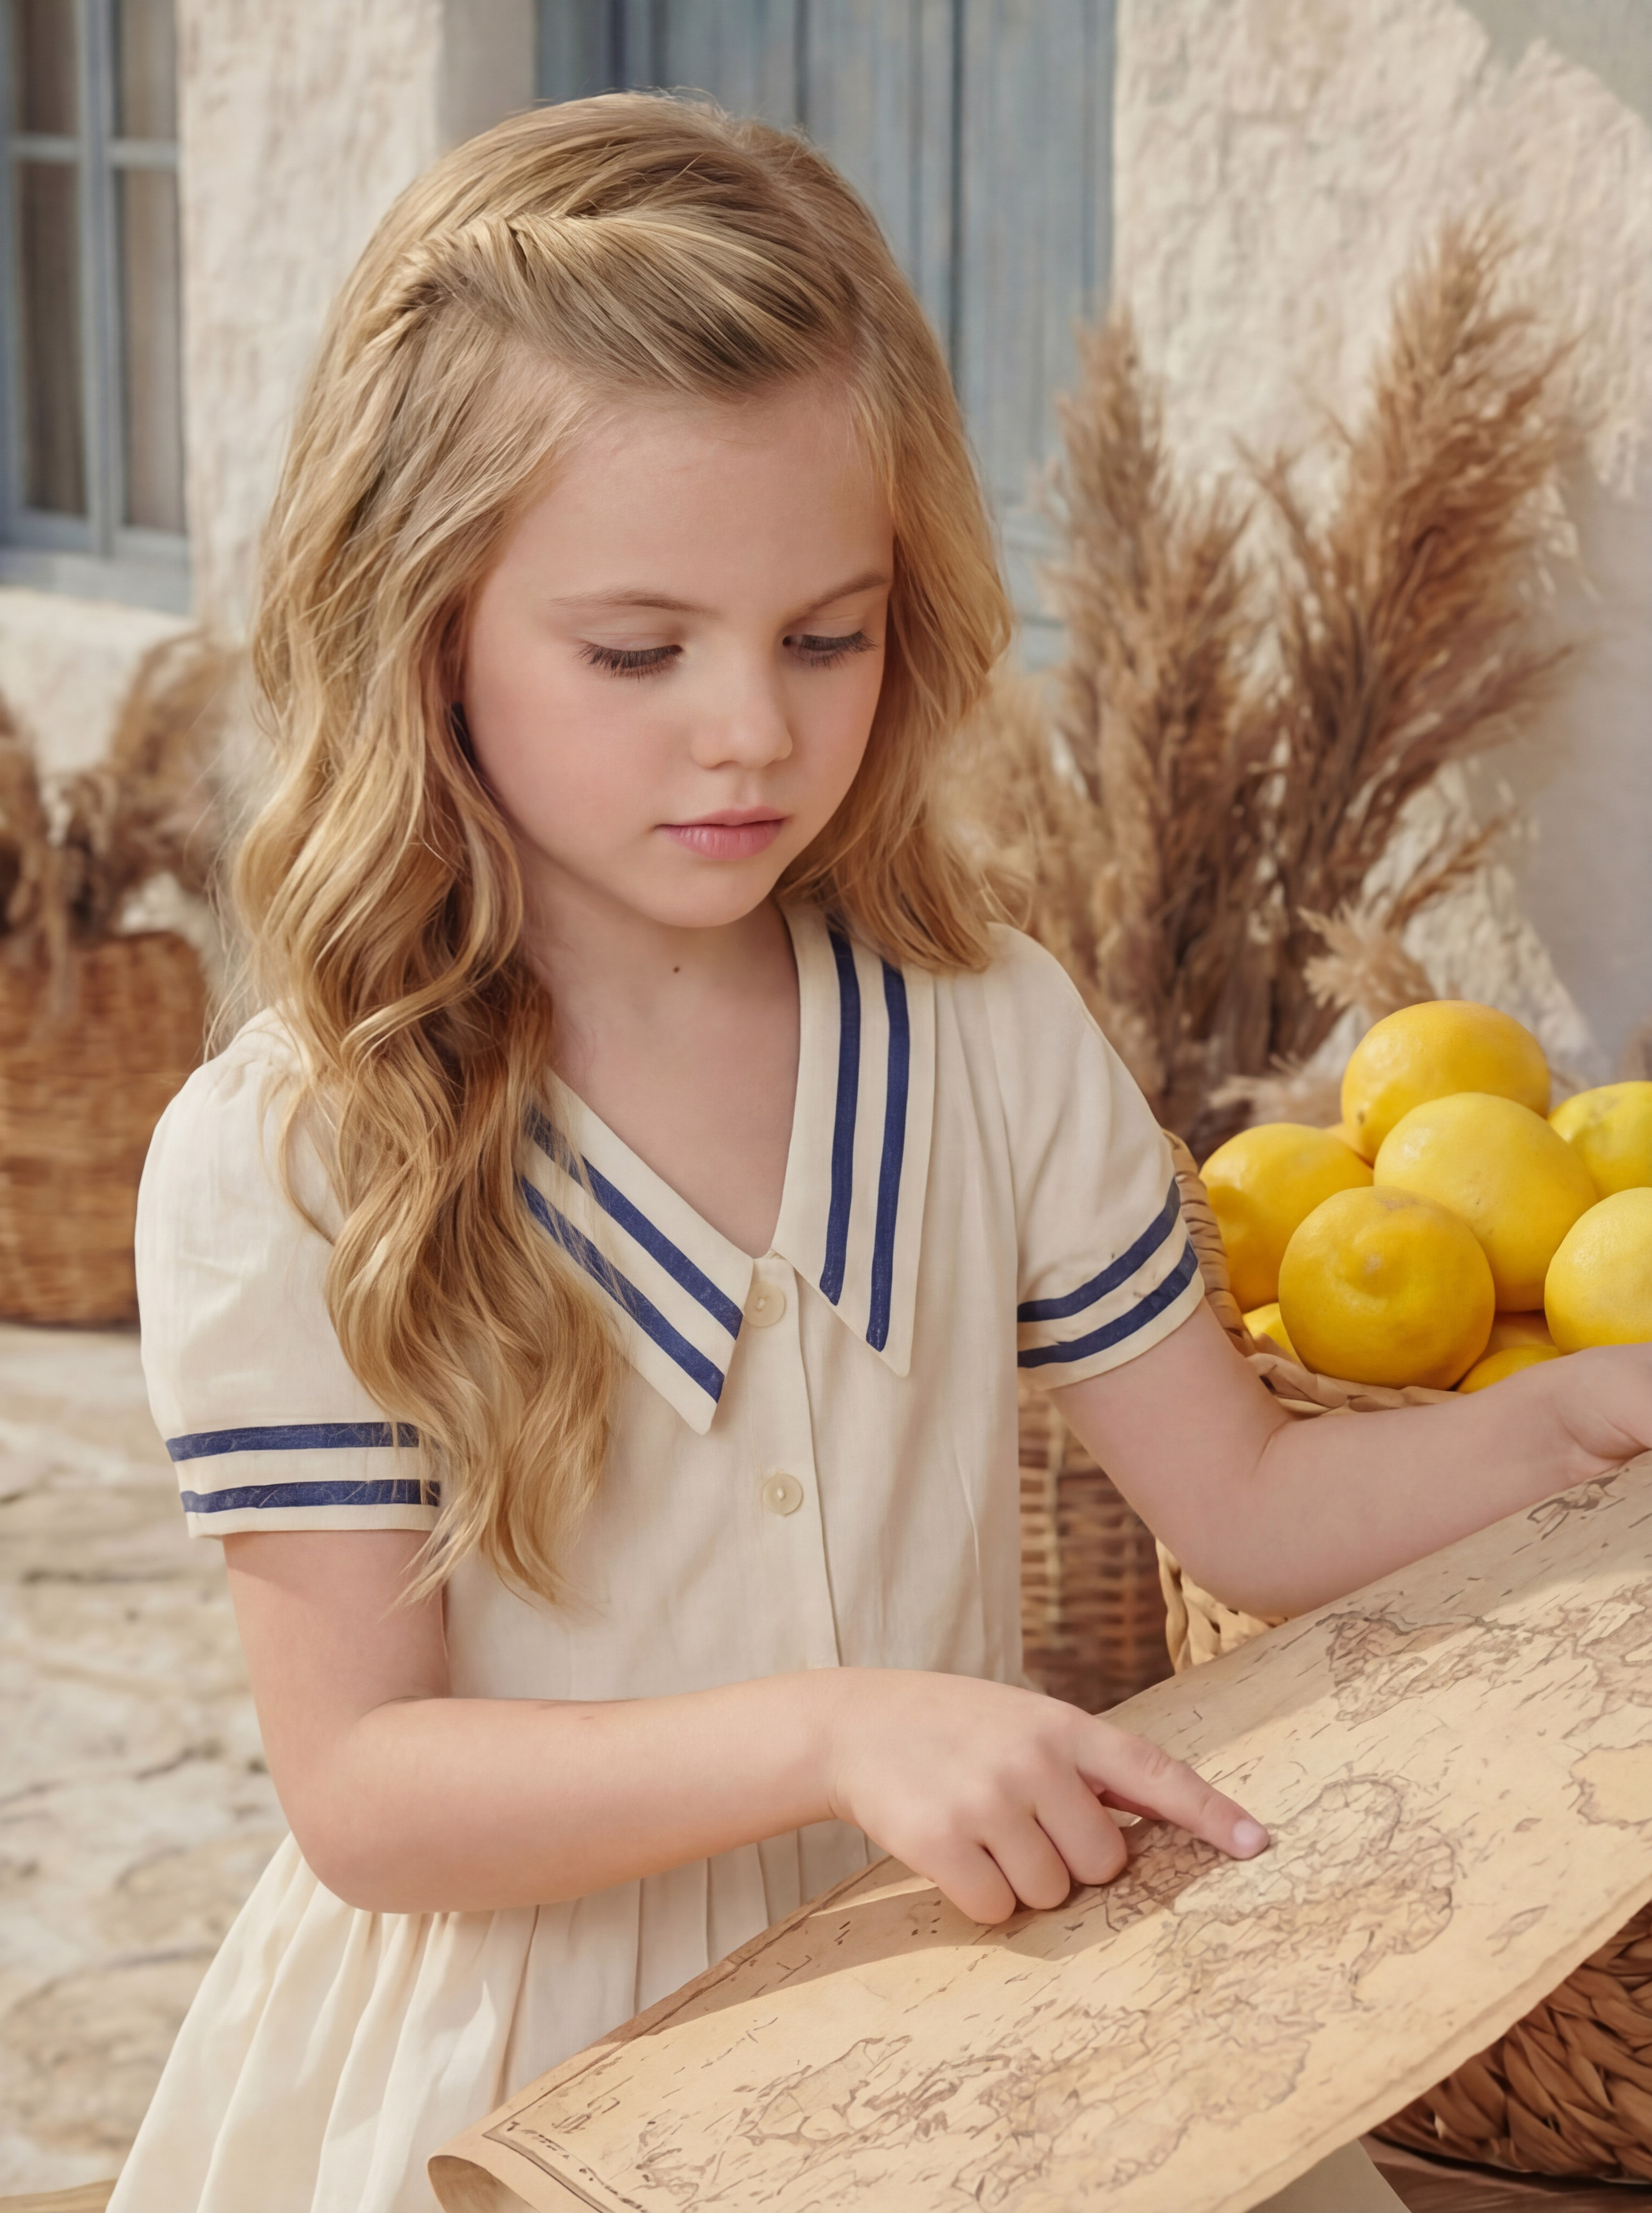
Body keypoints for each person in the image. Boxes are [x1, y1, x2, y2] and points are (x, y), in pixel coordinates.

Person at [112, 95, 1651, 2213]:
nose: (753, 726)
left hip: (966, 2013)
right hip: (527, 2089)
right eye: (638, 651)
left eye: (825, 635)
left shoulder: (986, 1032)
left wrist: (1570, 1420)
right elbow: (366, 1793)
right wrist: (836, 1731)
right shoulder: (290, 1151)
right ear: (423, 624)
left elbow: (1258, 1503)